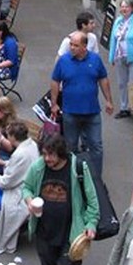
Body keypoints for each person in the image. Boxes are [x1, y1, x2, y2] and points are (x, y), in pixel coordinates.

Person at [22, 134, 100, 265]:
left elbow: (92, 199)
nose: (47, 158)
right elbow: (26, 187)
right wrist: (29, 201)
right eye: (44, 153)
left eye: (51, 154)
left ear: (61, 153)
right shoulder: (38, 167)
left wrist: (91, 223)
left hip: (70, 230)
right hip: (44, 228)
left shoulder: (78, 167)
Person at [50, 32, 114, 180]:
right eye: (71, 44)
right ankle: (72, 176)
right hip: (70, 113)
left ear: (84, 46)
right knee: (71, 146)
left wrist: (109, 100)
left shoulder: (95, 60)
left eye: (75, 45)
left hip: (92, 112)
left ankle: (96, 178)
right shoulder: (63, 61)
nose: (71, 47)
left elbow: (103, 79)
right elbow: (55, 81)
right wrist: (54, 104)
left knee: (96, 146)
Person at [0, 120, 39, 257]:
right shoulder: (31, 145)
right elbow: (20, 166)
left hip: (20, 193)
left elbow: (5, 183)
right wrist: (4, 163)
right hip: (29, 185)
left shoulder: (20, 154)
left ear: (12, 137)